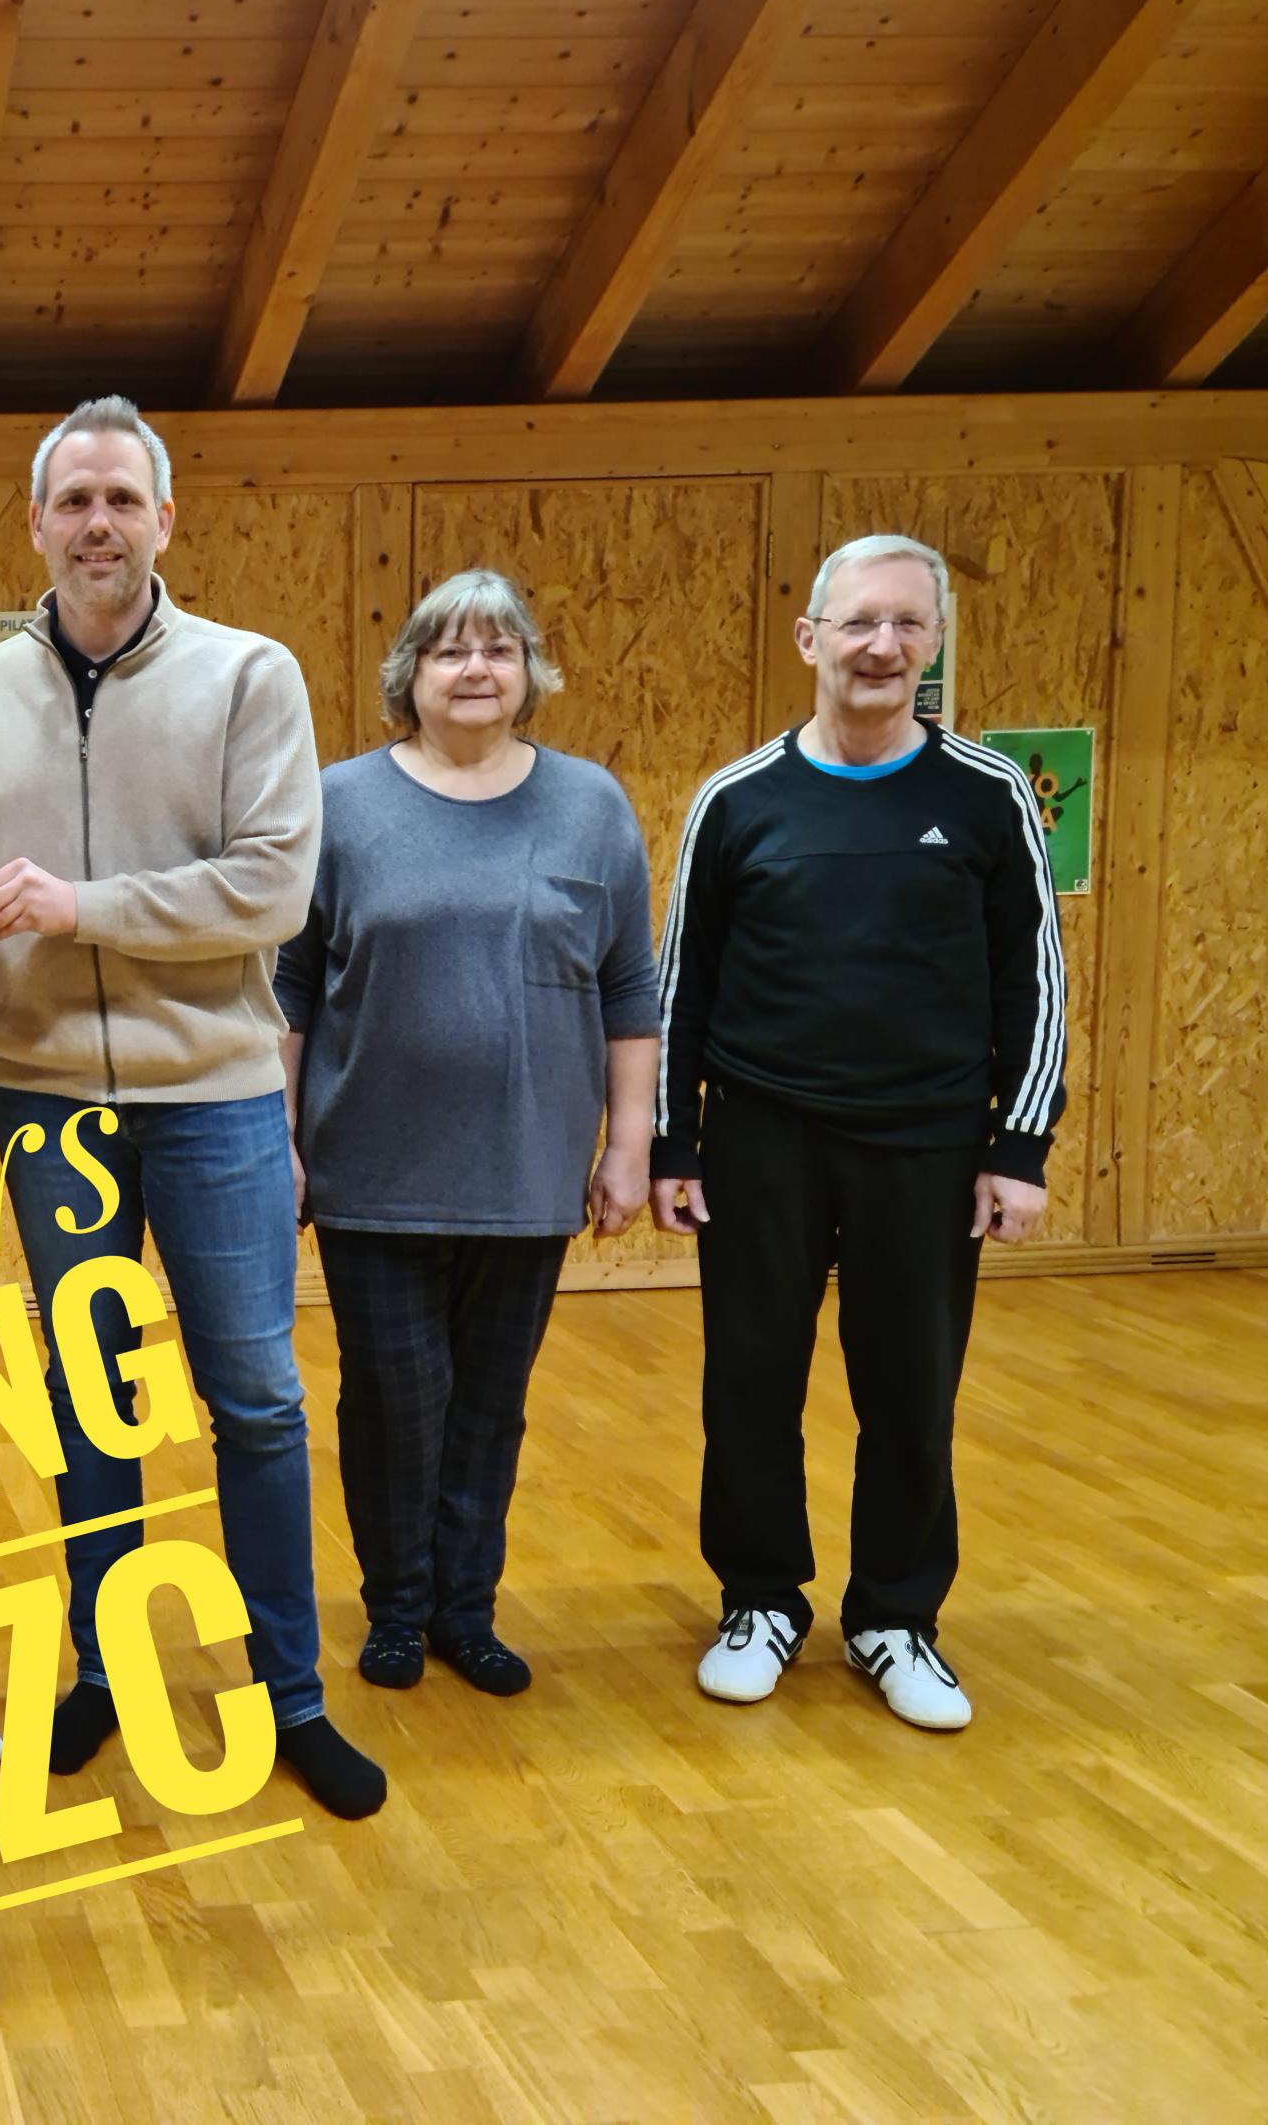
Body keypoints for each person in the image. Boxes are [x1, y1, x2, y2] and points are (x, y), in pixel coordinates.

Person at [0, 395, 386, 1821]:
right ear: (35, 524)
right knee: (87, 1403)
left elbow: (271, 887)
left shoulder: (250, 675)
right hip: (42, 1099)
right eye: (73, 500)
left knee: (253, 1397)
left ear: (164, 520)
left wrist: (79, 907)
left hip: (214, 1099)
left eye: (122, 498)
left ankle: (288, 1691)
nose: (98, 523)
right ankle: (106, 1672)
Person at [654, 533, 1066, 1731]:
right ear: (810, 639)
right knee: (748, 1385)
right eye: (858, 622)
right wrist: (675, 1141)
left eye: (905, 624)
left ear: (932, 643)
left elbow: (1032, 981)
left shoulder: (987, 795)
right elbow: (682, 986)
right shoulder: (737, 800)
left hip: (927, 1149)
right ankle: (758, 1600)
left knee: (910, 1393)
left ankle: (895, 1615)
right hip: (760, 1142)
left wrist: (1018, 1147)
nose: (881, 645)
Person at [275, 569, 658, 1700]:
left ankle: (465, 1610)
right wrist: (276, 1135)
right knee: (394, 1400)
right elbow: (288, 984)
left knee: (490, 1406)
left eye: (499, 648)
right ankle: (395, 1608)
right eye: (450, 650)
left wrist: (627, 1142)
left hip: (527, 1169)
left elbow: (628, 985)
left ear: (530, 671)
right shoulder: (340, 802)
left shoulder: (590, 805)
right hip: (370, 1167)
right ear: (411, 675)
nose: (476, 668)